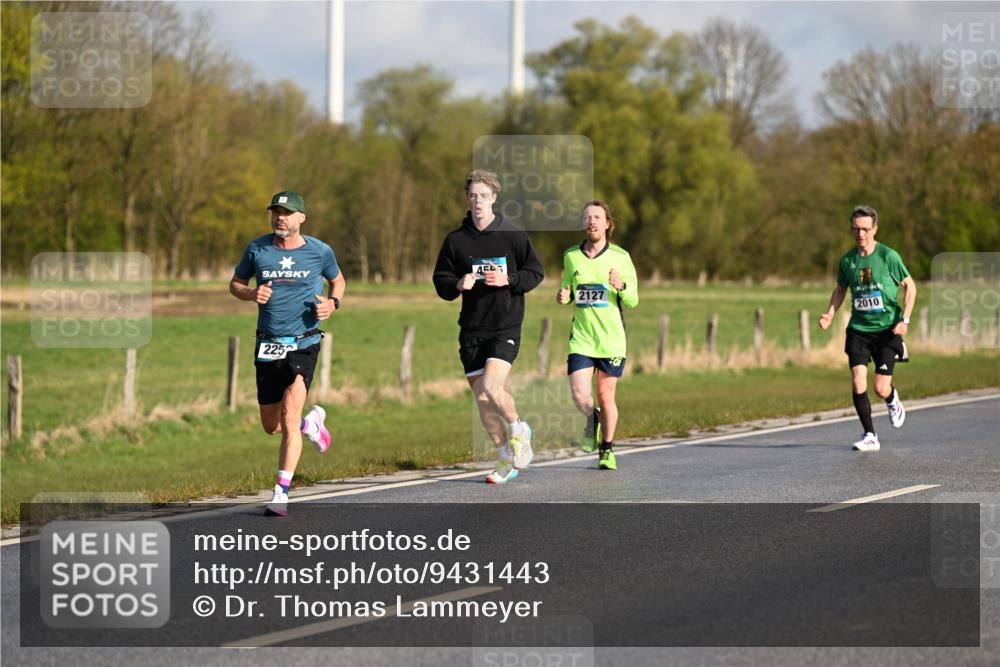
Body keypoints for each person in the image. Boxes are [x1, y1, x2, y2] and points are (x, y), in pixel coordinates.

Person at [229, 190, 345, 515]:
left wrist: (332, 304)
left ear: (301, 218)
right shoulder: (257, 249)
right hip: (268, 342)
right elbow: (235, 283)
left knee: (288, 416)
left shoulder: (320, 251)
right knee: (272, 425)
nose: (281, 217)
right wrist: (251, 292)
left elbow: (338, 282)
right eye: (276, 212)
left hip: (304, 341)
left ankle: (281, 493)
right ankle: (313, 425)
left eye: (287, 212)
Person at [433, 170, 544, 484]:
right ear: (467, 198)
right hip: (471, 329)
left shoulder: (513, 235)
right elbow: (440, 281)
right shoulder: (456, 240)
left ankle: (518, 429)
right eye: (473, 195)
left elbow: (535, 272)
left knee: (492, 388)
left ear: (494, 197)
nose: (477, 201)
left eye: (483, 195)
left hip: (504, 326)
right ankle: (505, 457)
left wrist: (508, 279)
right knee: (482, 399)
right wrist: (458, 282)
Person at [819, 205, 916, 452]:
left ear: (875, 229)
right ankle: (870, 435)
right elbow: (841, 289)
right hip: (859, 329)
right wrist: (830, 313)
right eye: (856, 229)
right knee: (857, 381)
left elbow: (911, 287)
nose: (860, 234)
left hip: (887, 330)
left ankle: (893, 399)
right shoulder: (848, 260)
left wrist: (904, 321)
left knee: (880, 387)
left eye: (865, 229)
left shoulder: (888, 257)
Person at [557, 200, 638, 470]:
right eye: (587, 217)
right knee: (580, 395)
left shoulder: (621, 257)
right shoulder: (571, 256)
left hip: (611, 340)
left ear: (607, 224)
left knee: (605, 395)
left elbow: (633, 299)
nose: (592, 221)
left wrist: (621, 285)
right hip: (581, 338)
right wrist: (564, 296)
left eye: (597, 217)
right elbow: (568, 289)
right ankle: (592, 419)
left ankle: (607, 448)